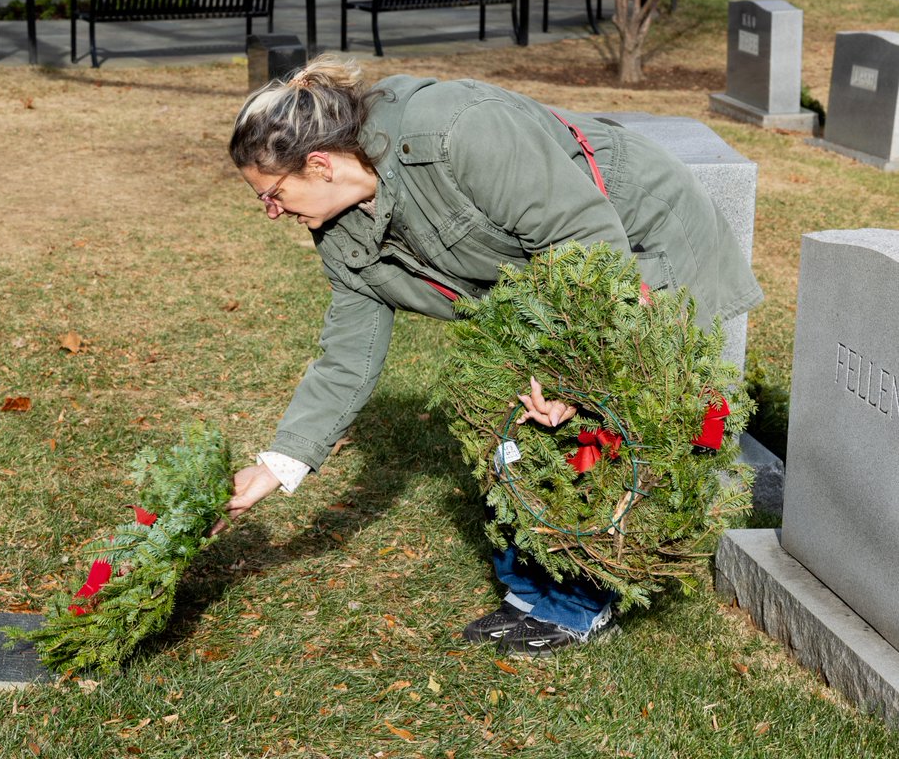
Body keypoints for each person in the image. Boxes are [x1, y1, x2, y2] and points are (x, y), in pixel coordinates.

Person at [219, 56, 763, 655]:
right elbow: (346, 357)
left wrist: (571, 377)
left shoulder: (457, 131)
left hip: (633, 241)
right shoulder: (340, 235)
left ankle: (580, 601)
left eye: (272, 194)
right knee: (514, 415)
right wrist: (279, 464)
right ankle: (531, 586)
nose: (273, 212)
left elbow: (586, 242)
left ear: (318, 164)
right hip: (539, 284)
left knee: (607, 420)